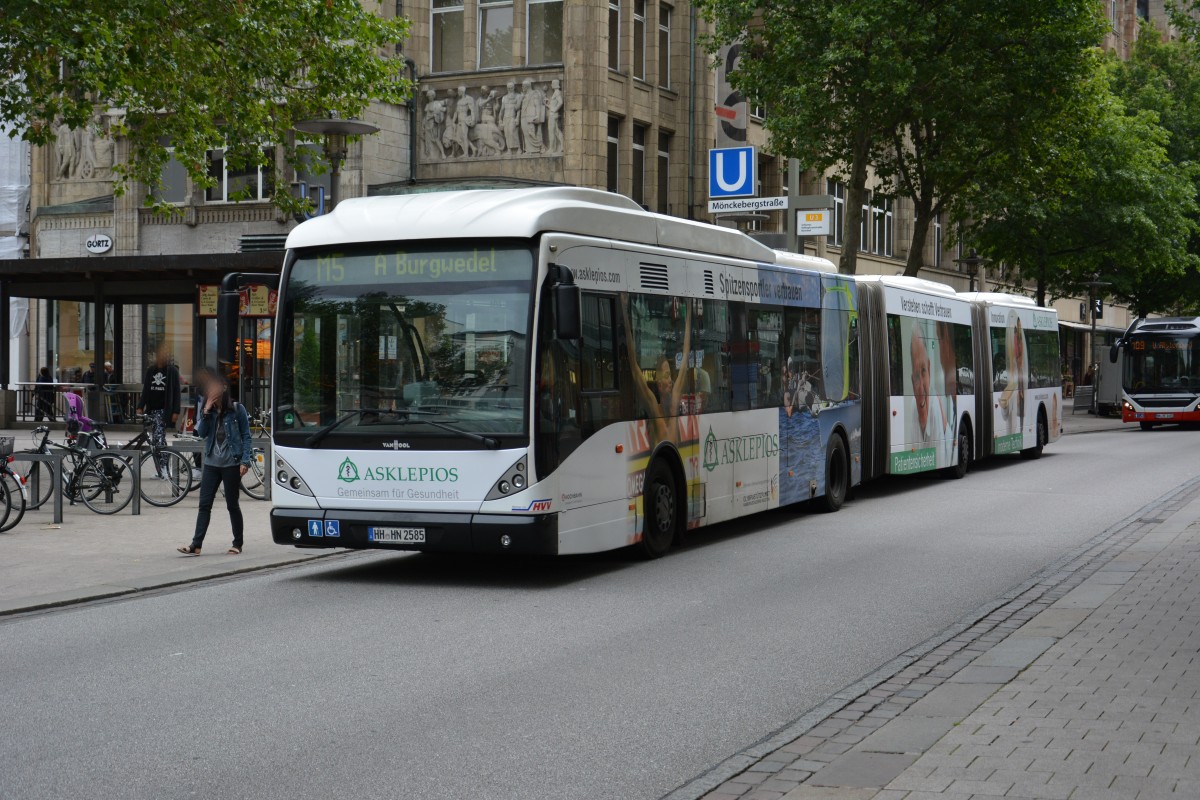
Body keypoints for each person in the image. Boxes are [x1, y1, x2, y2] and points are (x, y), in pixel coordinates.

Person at [178, 372, 251, 556]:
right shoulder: (208, 411)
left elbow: (246, 437)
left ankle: (237, 543)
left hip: (231, 464)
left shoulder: (237, 409)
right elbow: (200, 434)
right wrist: (205, 411)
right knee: (204, 505)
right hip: (211, 464)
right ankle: (196, 544)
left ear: (224, 388)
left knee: (232, 504)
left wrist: (245, 461)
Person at [136, 344, 181, 451]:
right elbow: (146, 390)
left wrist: (176, 411)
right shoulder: (150, 370)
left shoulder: (172, 371)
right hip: (152, 408)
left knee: (159, 435)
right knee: (155, 436)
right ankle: (160, 458)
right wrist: (140, 406)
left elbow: (176, 392)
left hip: (164, 409)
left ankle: (162, 462)